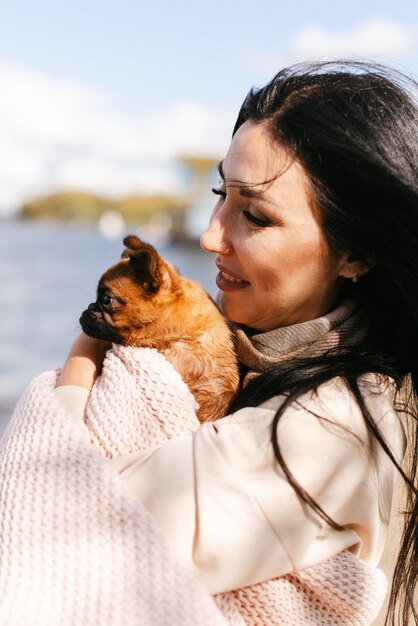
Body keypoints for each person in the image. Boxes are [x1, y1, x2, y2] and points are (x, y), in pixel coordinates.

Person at [54, 61, 418, 625]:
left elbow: (58, 513)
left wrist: (81, 361)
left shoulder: (327, 430)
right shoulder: (249, 355)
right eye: (220, 194)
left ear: (357, 253)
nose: (208, 235)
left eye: (253, 214)